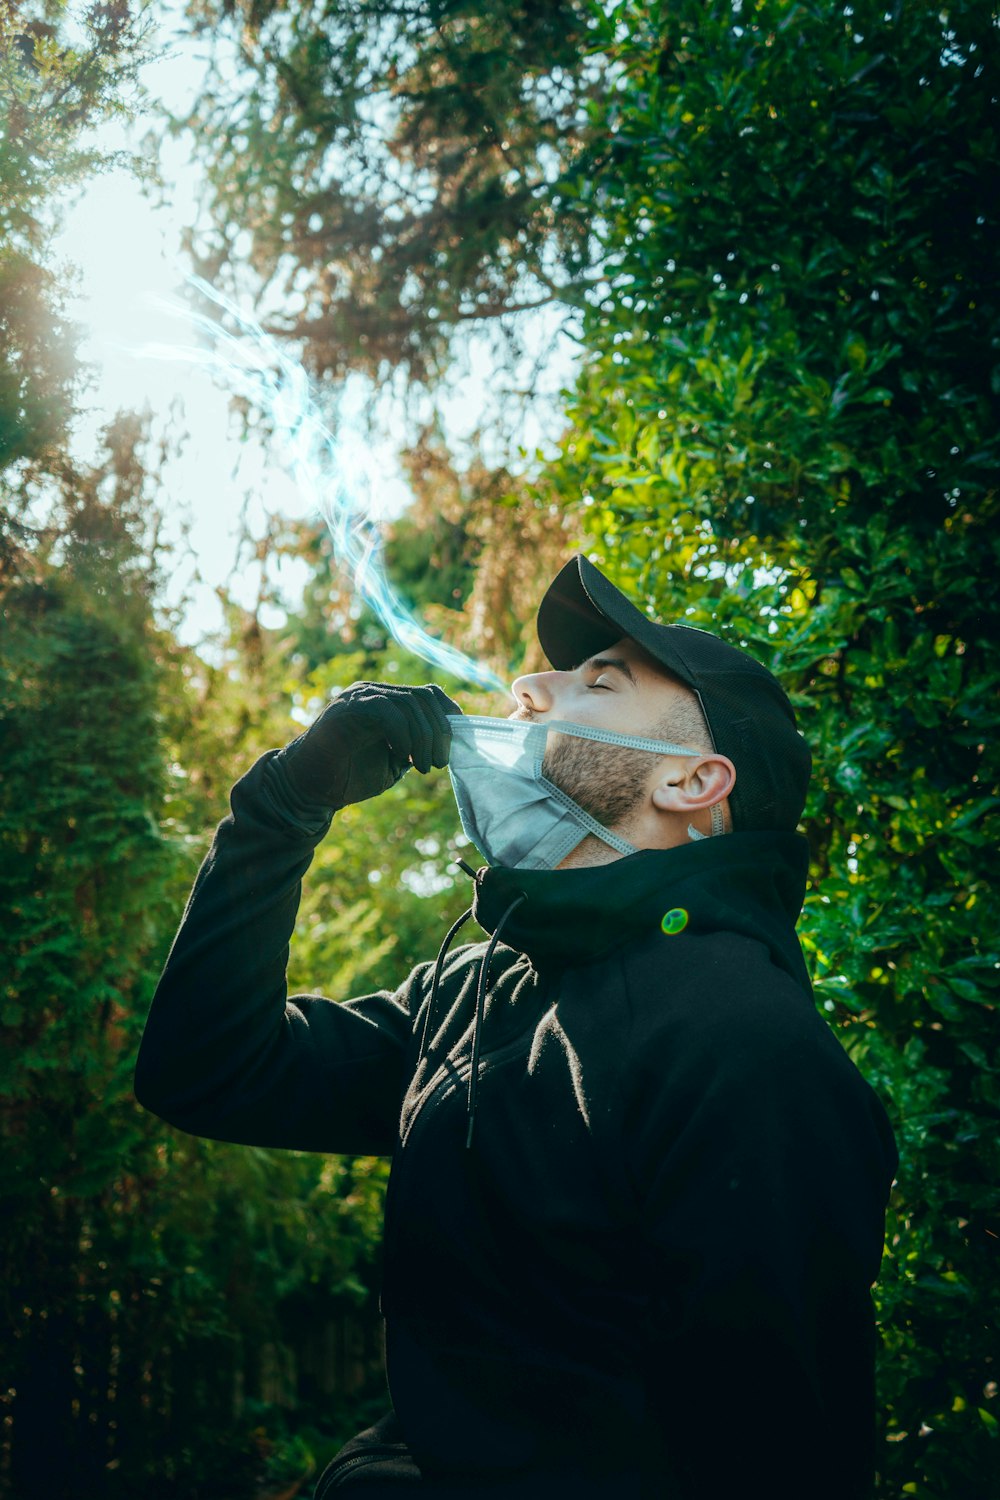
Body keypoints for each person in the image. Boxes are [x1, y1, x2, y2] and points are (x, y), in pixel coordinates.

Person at [134, 554, 898, 1499]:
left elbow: (780, 1459)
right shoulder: (472, 989)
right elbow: (206, 1070)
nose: (528, 687)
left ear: (694, 780)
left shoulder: (748, 1050)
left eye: (599, 681)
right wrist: (286, 807)